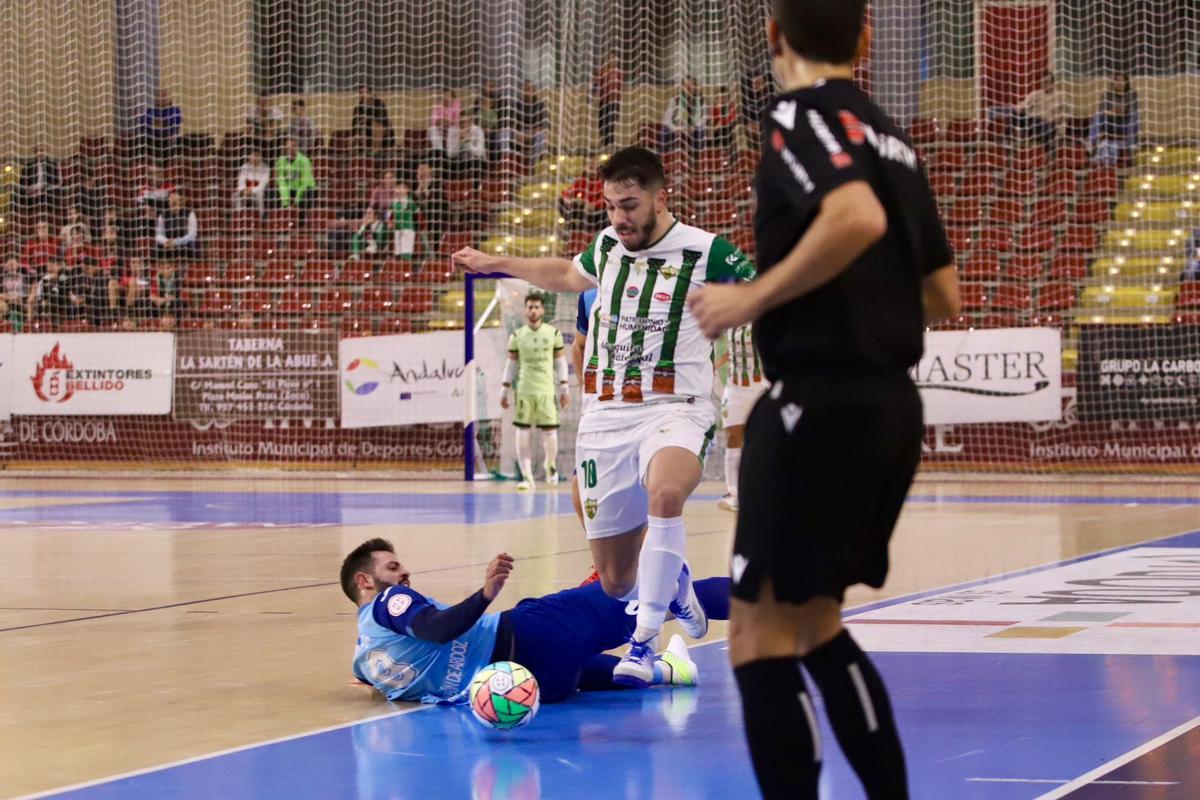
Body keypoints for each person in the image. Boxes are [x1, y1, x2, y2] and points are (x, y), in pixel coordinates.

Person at [686, 2, 961, 797]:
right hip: (888, 409)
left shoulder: (795, 115)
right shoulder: (893, 137)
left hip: (817, 402)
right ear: (865, 41)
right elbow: (942, 293)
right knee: (815, 626)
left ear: (774, 38)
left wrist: (751, 297)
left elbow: (854, 214)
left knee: (755, 636)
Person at [454, 146, 756, 687]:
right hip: (606, 418)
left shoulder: (707, 251)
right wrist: (497, 262)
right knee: (616, 581)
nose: (620, 217)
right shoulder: (607, 246)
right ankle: (676, 579)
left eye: (631, 205)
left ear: (661, 198)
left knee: (666, 494)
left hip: (676, 407)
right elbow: (567, 273)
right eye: (612, 205)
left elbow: (765, 293)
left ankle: (643, 645)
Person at [341, 537, 733, 705]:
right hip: (530, 635)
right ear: (365, 581)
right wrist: (485, 595)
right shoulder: (389, 600)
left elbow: (377, 682)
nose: (404, 573)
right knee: (668, 591)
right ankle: (777, 597)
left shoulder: (365, 657)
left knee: (624, 672)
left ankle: (671, 669)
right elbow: (438, 629)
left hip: (530, 688)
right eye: (393, 567)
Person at [503, 291, 568, 490]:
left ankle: (550, 465)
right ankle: (527, 476)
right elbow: (511, 364)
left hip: (547, 390)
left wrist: (564, 386)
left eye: (536, 307)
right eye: (530, 307)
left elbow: (560, 361)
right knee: (522, 432)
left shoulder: (553, 333)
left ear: (543, 310)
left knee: (550, 432)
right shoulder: (517, 335)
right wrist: (504, 389)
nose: (533, 310)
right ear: (525, 310)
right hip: (524, 390)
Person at [715, 323, 767, 512]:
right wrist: (716, 364)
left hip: (761, 386)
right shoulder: (730, 321)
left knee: (762, 439)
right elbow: (730, 349)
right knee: (733, 437)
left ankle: (762, 488)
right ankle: (733, 493)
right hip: (734, 388)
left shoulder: (761, 316)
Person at [1089, 73, 1139, 165]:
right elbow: (1102, 110)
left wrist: (1117, 112)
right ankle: (1092, 141)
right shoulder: (1107, 95)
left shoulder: (1132, 94)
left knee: (1135, 116)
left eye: (1122, 80)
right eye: (1117, 80)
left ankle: (1132, 144)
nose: (1119, 83)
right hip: (1110, 122)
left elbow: (1130, 110)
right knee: (1097, 115)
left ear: (1126, 82)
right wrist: (1114, 112)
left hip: (1124, 124)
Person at [558, 160, 607, 232]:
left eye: (593, 164)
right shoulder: (583, 181)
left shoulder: (605, 180)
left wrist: (594, 205)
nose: (591, 166)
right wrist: (568, 199)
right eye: (588, 164)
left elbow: (607, 199)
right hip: (586, 210)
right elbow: (567, 192)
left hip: (600, 211)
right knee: (561, 201)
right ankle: (573, 228)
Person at [510, 81, 549, 167]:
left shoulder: (540, 106)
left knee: (541, 135)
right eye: (525, 89)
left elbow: (544, 125)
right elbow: (512, 124)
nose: (527, 92)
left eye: (529, 89)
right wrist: (518, 133)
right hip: (521, 133)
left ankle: (534, 164)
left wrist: (530, 133)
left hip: (534, 133)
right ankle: (507, 163)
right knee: (507, 133)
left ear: (534, 91)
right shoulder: (516, 105)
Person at [662, 76, 706, 151]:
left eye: (690, 85)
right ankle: (664, 155)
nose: (688, 88)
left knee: (700, 131)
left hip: (693, 128)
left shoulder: (700, 100)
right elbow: (666, 120)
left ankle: (697, 156)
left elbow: (703, 119)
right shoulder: (675, 99)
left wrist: (694, 126)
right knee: (665, 131)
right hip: (677, 127)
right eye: (686, 85)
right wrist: (676, 128)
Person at [16, 148, 63, 218]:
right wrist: (29, 189)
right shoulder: (28, 166)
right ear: (35, 153)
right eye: (39, 151)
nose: (41, 153)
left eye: (42, 150)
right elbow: (22, 183)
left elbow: (57, 182)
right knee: (17, 194)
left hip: (48, 190)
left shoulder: (53, 165)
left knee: (50, 193)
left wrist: (44, 188)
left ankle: (49, 215)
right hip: (32, 191)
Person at [591, 54, 625, 149]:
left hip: (614, 102)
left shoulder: (619, 73)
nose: (613, 61)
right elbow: (596, 83)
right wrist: (591, 96)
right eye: (611, 59)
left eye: (615, 59)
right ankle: (603, 141)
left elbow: (620, 87)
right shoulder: (603, 71)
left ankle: (609, 144)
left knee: (611, 122)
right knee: (602, 123)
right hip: (604, 101)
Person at [154, 191, 199, 260]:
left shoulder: (190, 213)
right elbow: (159, 235)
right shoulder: (162, 215)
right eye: (171, 198)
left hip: (183, 243)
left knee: (192, 243)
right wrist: (165, 241)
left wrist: (175, 242)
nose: (172, 200)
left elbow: (192, 235)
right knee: (156, 245)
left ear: (180, 201)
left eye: (175, 198)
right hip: (168, 243)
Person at [274, 138, 316, 211]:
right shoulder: (280, 161)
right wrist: (286, 203)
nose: (291, 148)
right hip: (289, 189)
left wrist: (296, 202)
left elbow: (304, 183)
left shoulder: (304, 161)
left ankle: (302, 220)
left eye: (293, 145)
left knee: (308, 193)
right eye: (288, 146)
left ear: (297, 147)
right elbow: (281, 182)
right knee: (273, 192)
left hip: (305, 189)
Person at [143, 90, 182, 161]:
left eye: (164, 96)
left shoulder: (175, 110)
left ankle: (166, 165)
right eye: (160, 97)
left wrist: (157, 123)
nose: (162, 99)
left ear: (169, 98)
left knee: (176, 140)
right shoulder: (150, 111)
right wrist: (162, 124)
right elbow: (146, 125)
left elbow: (173, 124)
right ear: (156, 99)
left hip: (168, 138)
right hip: (153, 138)